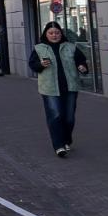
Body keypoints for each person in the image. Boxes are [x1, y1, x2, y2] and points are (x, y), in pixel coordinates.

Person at [28, 21, 88, 158]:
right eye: (51, 33)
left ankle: (66, 140)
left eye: (57, 33)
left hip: (70, 86)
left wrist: (83, 67)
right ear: (46, 34)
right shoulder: (39, 48)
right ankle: (58, 145)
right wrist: (40, 64)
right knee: (55, 116)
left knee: (69, 118)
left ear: (61, 34)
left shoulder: (70, 47)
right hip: (50, 88)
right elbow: (33, 65)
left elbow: (81, 61)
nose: (54, 35)